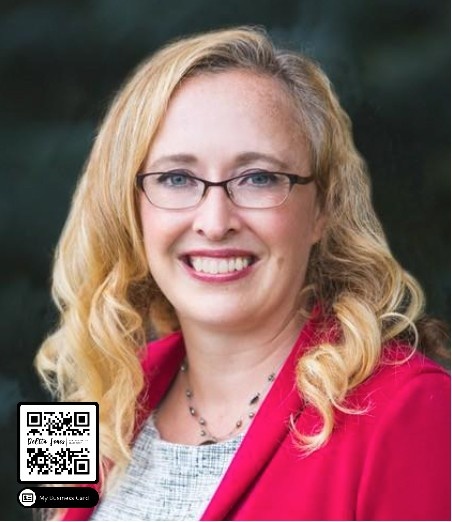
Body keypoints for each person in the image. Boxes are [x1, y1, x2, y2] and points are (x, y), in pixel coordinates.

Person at [35, 26, 450, 521]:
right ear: (129, 207)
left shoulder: (418, 410)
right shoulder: (84, 398)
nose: (214, 222)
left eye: (258, 178)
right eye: (176, 178)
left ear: (322, 210)